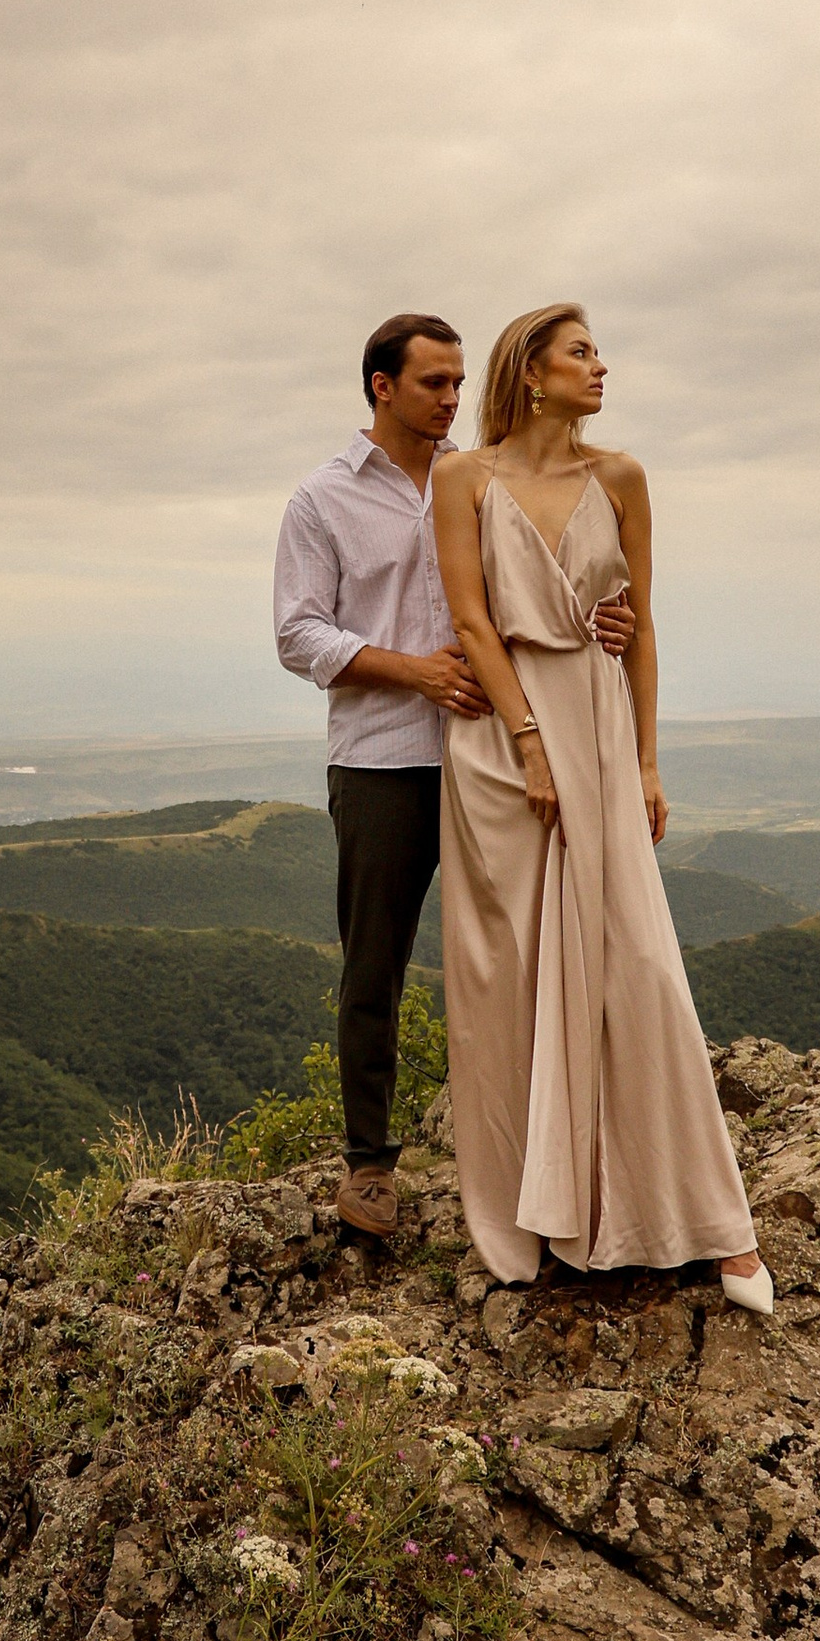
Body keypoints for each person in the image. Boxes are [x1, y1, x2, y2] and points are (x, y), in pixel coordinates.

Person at [431, 302, 772, 1305]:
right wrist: (527, 742)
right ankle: (534, 1217)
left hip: (595, 717)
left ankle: (713, 1221)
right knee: (510, 981)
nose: (602, 367)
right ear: (529, 372)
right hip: (500, 744)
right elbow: (469, 619)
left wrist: (647, 762)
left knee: (635, 958)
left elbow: (645, 627)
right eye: (582, 352)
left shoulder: (619, 476)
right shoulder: (464, 477)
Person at [273, 312, 632, 1239]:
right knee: (376, 963)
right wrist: (416, 670)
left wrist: (605, 625)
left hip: (500, 756)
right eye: (434, 383)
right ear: (381, 387)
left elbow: (539, 593)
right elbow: (298, 632)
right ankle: (368, 1166)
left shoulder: (487, 476)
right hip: (387, 758)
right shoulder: (322, 500)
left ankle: (538, 1153)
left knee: (521, 951)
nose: (452, 398)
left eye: (461, 381)